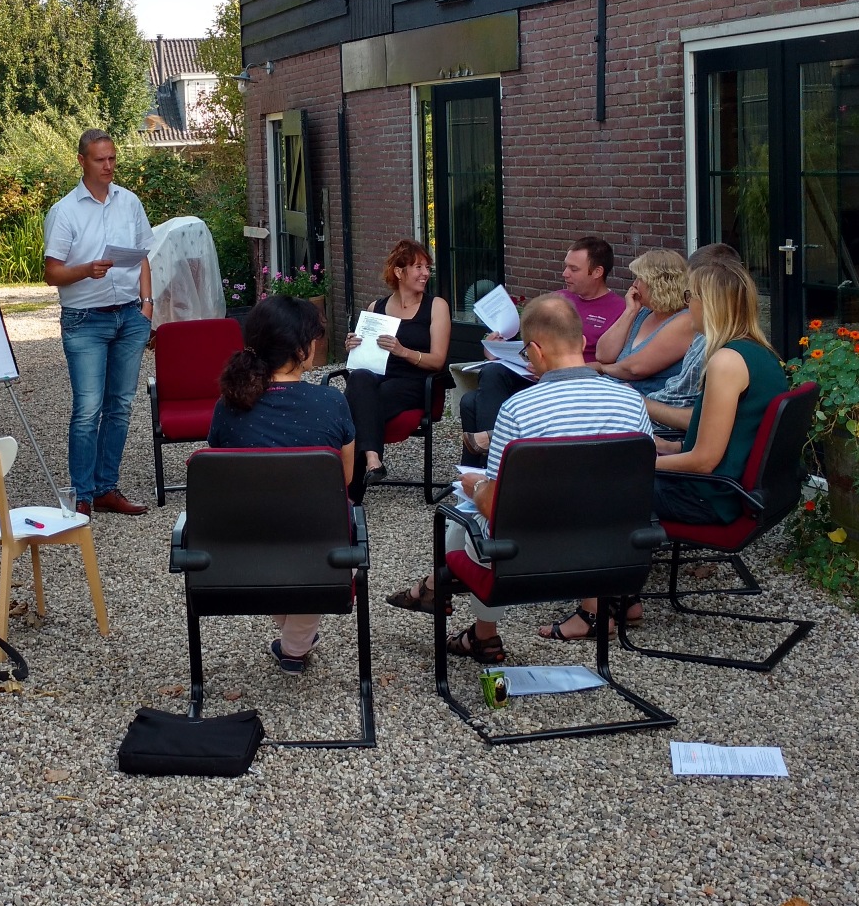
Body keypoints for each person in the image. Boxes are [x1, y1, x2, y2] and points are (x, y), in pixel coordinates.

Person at [385, 293, 652, 662]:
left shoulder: (519, 409)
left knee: (464, 519)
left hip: (531, 563)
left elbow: (497, 506)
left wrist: (474, 485)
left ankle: (467, 619)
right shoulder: (631, 401)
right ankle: (454, 612)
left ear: (536, 350)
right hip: (617, 555)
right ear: (580, 341)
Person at [206, 295, 357, 674]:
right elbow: (346, 478)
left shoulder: (228, 406)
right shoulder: (331, 402)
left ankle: (294, 641)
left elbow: (223, 474)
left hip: (242, 550)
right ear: (300, 348)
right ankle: (295, 645)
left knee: (272, 519)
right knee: (326, 523)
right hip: (320, 547)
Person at [43, 128, 156, 516]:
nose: (108, 166)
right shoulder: (64, 211)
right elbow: (52, 274)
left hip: (129, 315)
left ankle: (107, 487)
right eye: (100, 159)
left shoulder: (130, 202)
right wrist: (85, 271)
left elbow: (142, 256)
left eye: (112, 158)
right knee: (88, 408)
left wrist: (147, 305)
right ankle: (83, 495)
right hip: (84, 320)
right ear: (82, 161)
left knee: (121, 406)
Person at [457, 235, 628, 465]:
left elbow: (617, 364)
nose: (565, 274)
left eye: (573, 269)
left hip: (575, 383)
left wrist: (557, 370)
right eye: (565, 266)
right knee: (493, 371)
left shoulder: (619, 310)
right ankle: (488, 465)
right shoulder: (558, 300)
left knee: (470, 402)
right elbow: (532, 343)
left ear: (597, 272)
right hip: (534, 374)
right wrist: (498, 350)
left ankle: (489, 466)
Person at [651, 259, 792, 523]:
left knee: (599, 485)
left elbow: (704, 462)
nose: (686, 304)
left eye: (689, 295)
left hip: (707, 497)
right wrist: (672, 448)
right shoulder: (761, 353)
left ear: (709, 304)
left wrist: (632, 467)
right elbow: (737, 436)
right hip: (723, 490)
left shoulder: (726, 362)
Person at [342, 238, 451, 493]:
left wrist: (404, 351)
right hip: (378, 378)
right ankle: (372, 460)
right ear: (399, 272)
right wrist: (354, 345)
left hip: (417, 382)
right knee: (359, 379)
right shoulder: (375, 308)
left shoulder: (436, 307)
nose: (425, 273)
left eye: (427, 267)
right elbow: (363, 360)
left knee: (358, 406)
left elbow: (438, 360)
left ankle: (352, 489)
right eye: (418, 267)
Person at [645, 242, 743, 434]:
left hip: (663, 430)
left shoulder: (725, 358)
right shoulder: (707, 337)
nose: (685, 302)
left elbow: (703, 451)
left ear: (710, 296)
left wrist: (638, 402)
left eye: (690, 293)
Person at [592, 249, 694, 394]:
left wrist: (600, 368)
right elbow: (603, 355)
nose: (634, 284)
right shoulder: (643, 313)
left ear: (659, 284)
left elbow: (636, 369)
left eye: (640, 279)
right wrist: (630, 312)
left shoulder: (684, 320)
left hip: (646, 406)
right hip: (615, 394)